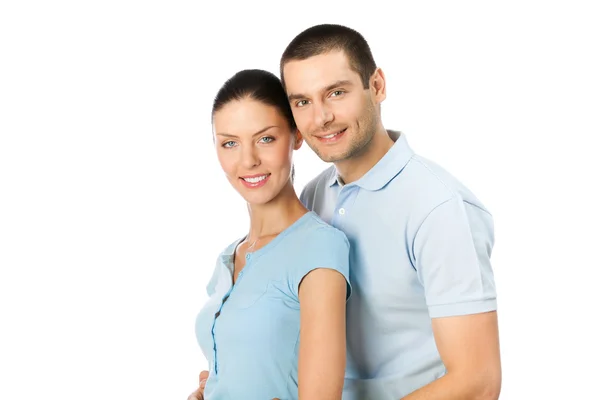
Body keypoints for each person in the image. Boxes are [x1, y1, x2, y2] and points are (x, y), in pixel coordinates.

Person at [192, 24, 502, 399]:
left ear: (378, 86)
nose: (321, 117)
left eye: (336, 93)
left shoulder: (439, 208)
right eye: (302, 101)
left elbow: (478, 381)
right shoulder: (316, 196)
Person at [190, 69, 351, 400]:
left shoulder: (319, 247)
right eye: (230, 143)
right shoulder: (228, 258)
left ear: (296, 136)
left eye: (265, 139)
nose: (248, 160)